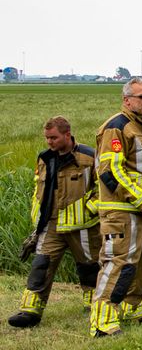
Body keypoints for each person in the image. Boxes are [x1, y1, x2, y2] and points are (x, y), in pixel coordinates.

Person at [8, 117, 101, 328]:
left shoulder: (89, 156)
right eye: (47, 138)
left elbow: (103, 189)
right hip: (51, 224)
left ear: (67, 134)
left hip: (83, 226)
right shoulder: (43, 158)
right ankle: (30, 311)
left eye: (54, 138)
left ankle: (94, 305)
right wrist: (37, 222)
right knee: (41, 265)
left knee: (90, 267)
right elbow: (38, 191)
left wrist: (89, 210)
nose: (49, 142)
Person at [90, 77, 142, 337]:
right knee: (119, 262)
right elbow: (110, 171)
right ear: (126, 100)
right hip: (122, 210)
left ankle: (135, 307)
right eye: (141, 96)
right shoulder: (116, 127)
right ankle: (102, 319)